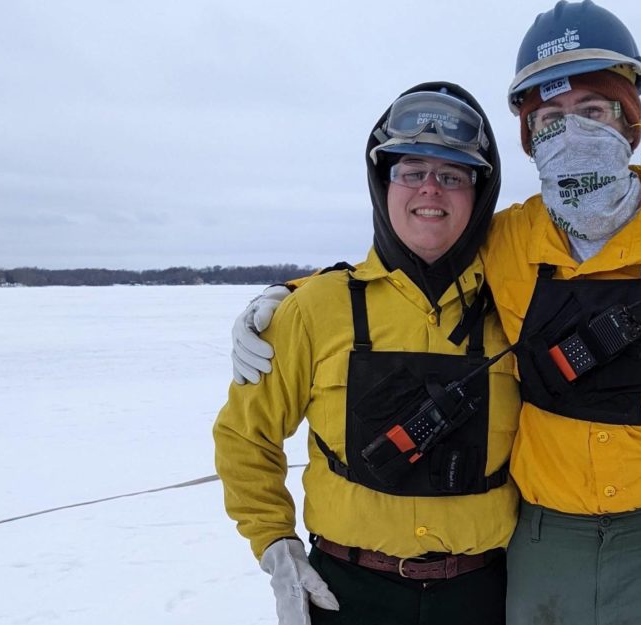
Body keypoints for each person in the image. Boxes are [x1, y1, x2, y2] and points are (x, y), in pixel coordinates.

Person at [228, 2, 641, 624]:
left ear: (631, 123)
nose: (572, 132)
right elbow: (408, 263)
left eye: (594, 111)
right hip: (510, 558)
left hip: (639, 547)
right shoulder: (504, 246)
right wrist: (285, 297)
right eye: (549, 118)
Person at [214, 82, 521, 625]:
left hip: (486, 595)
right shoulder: (313, 310)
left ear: (479, 196)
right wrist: (273, 539)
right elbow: (246, 436)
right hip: (347, 594)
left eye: (452, 175)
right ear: (383, 185)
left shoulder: (517, 304)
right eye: (411, 171)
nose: (431, 189)